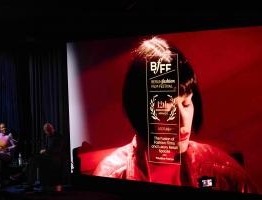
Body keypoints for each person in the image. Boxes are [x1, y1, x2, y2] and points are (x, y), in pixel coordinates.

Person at [93, 37, 257, 193]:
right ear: (140, 110)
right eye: (167, 108)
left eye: (186, 103)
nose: (183, 121)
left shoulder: (224, 172)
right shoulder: (110, 176)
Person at [24, 122, 63, 190]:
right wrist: (44, 151)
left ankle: (29, 182)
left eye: (46, 131)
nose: (45, 133)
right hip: (48, 157)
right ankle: (28, 180)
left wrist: (45, 151)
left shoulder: (58, 137)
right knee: (32, 159)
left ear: (49, 130)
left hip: (54, 158)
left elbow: (57, 150)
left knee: (34, 159)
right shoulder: (49, 137)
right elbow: (47, 148)